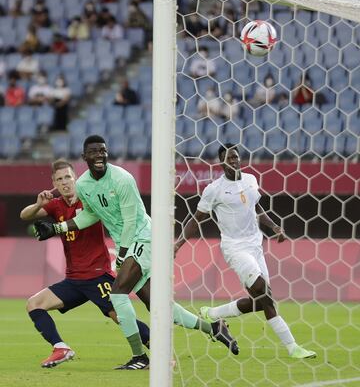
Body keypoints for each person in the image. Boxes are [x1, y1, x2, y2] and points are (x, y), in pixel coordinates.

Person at [33, 135, 239, 370]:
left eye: (103, 151)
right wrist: (57, 228)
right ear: (84, 157)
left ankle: (139, 356)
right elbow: (90, 215)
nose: (99, 155)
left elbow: (131, 220)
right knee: (158, 305)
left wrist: (121, 256)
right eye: (94, 152)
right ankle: (214, 328)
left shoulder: (122, 178)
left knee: (118, 293)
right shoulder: (83, 185)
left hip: (143, 236)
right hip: (128, 243)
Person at [174, 143, 317, 360]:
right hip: (235, 248)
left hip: (255, 246)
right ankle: (293, 348)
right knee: (264, 292)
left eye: (235, 157)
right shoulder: (214, 189)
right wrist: (177, 245)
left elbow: (257, 208)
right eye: (228, 158)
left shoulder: (250, 180)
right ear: (221, 163)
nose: (233, 161)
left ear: (239, 158)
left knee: (262, 300)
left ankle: (212, 313)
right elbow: (196, 220)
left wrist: (274, 227)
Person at [20, 159, 150, 368]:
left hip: (97, 275)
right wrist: (38, 205)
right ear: (54, 182)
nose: (65, 183)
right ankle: (61, 347)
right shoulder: (55, 205)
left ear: (75, 178)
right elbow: (24, 215)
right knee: (34, 304)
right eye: (59, 179)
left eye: (68, 177)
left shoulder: (89, 197)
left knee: (121, 317)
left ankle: (158, 350)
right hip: (74, 280)